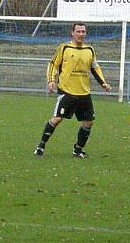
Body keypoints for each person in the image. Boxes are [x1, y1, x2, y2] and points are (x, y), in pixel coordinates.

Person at [33, 22, 111, 159]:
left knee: (88, 122)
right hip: (67, 92)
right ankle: (41, 145)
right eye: (78, 31)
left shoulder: (89, 50)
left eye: (83, 32)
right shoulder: (64, 48)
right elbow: (53, 65)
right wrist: (51, 80)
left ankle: (78, 150)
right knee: (57, 119)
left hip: (84, 93)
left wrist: (103, 83)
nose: (81, 34)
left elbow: (95, 68)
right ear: (72, 33)